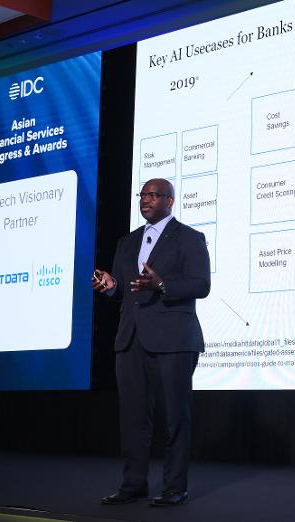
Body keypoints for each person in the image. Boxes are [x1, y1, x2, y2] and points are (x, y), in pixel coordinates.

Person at [92, 177, 210, 507]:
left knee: (175, 417)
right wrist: (111, 286)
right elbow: (125, 290)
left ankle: (175, 487)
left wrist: (163, 285)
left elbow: (201, 285)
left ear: (169, 201)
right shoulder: (127, 242)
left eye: (154, 195)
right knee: (132, 418)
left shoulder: (190, 238)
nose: (145, 200)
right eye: (142, 195)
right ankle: (133, 484)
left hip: (174, 339)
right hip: (130, 339)